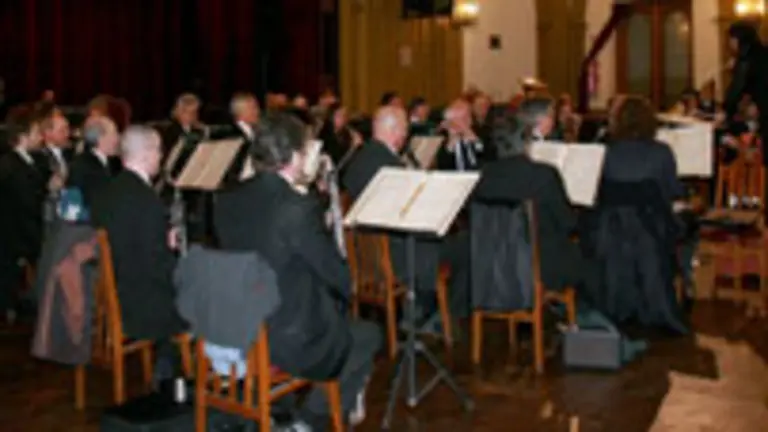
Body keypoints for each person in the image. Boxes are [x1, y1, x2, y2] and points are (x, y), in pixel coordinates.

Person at [214, 114, 381, 428]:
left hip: (241, 326)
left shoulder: (225, 200)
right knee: (368, 335)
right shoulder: (297, 208)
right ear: (293, 158)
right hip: (287, 337)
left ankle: (283, 409)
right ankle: (307, 421)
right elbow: (339, 278)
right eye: (305, 152)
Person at [343, 106, 471, 320]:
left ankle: (429, 311)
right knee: (466, 246)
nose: (405, 134)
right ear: (396, 132)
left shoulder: (358, 160)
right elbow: (414, 216)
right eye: (404, 129)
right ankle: (441, 316)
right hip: (397, 256)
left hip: (365, 257)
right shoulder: (390, 168)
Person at [583, 95, 688, 333]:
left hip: (610, 232)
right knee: (685, 229)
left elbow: (596, 193)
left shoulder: (605, 152)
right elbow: (672, 192)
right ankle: (677, 293)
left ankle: (617, 305)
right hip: (650, 231)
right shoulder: (661, 152)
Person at [91, 126, 188, 381]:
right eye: (158, 151)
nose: (160, 157)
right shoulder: (147, 201)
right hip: (140, 305)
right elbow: (158, 267)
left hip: (114, 293)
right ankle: (173, 376)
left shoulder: (108, 191)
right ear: (146, 154)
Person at [473, 111, 590, 294]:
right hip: (542, 266)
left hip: (494, 264)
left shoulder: (482, 175)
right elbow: (567, 222)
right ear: (527, 141)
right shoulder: (543, 174)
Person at [0, 113, 46, 323]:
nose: (41, 137)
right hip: (18, 234)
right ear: (23, 136)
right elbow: (28, 206)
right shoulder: (13, 166)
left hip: (20, 229)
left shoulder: (24, 162)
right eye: (37, 133)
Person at [724, 21, 768, 167]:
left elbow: (736, 91)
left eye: (730, 39)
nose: (729, 44)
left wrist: (727, 111)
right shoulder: (763, 52)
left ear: (737, 39)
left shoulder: (745, 58)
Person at [67, 116, 120, 208]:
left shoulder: (112, 163)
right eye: (114, 134)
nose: (118, 138)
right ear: (101, 138)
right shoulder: (84, 165)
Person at [222, 92, 260, 184]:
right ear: (241, 111)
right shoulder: (232, 135)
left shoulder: (256, 131)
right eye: (253, 108)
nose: (258, 111)